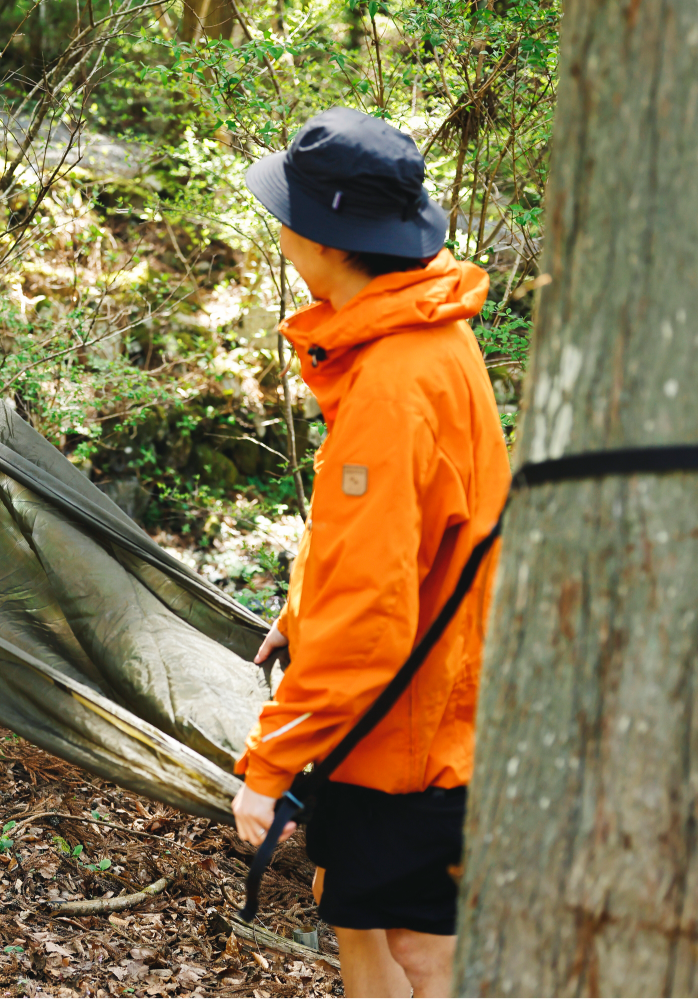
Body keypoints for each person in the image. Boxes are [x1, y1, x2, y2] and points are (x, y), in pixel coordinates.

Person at [230, 108, 511, 999]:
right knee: (356, 913)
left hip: (415, 726)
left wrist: (269, 766)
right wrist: (295, 616)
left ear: (329, 239)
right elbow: (381, 549)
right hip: (410, 709)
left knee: (422, 944)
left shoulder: (395, 383)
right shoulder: (421, 334)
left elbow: (370, 614)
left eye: (289, 209)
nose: (278, 224)